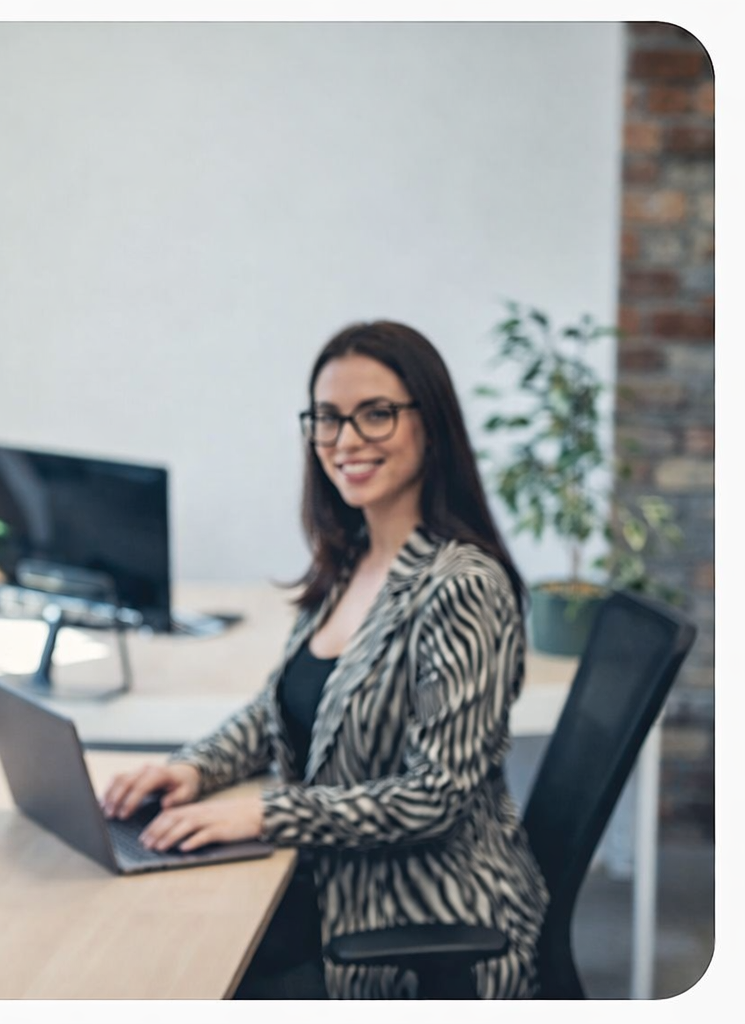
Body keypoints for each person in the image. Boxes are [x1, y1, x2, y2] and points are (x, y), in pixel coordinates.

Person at [102, 321, 549, 999]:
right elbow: (280, 707)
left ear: (432, 425)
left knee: (181, 973)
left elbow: (436, 799)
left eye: (377, 414)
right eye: (329, 419)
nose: (346, 441)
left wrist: (266, 814)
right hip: (329, 882)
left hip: (422, 917)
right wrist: (191, 767)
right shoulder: (351, 560)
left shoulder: (464, 587)